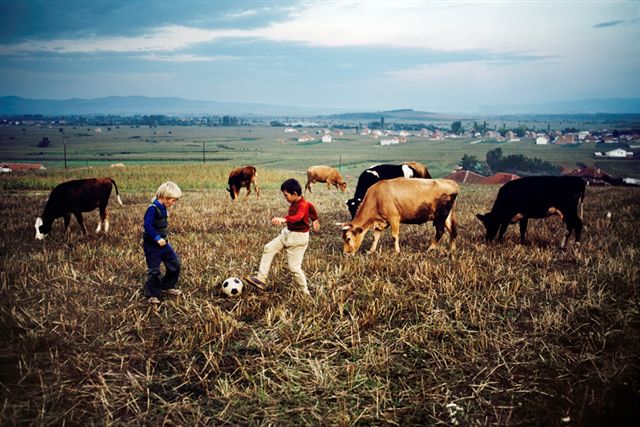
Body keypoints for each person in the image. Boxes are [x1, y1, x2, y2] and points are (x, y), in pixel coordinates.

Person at [244, 178, 319, 296]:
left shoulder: (302, 205)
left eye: (286, 195)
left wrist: (285, 219)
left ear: (294, 194)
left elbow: (299, 216)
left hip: (298, 239)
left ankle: (305, 292)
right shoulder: (301, 202)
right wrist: (314, 219)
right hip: (287, 234)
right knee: (269, 248)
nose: (285, 198)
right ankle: (261, 279)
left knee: (294, 268)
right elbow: (311, 208)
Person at [143, 181, 182, 304]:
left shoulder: (163, 208)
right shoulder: (153, 208)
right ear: (164, 196)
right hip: (152, 246)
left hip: (164, 244)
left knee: (175, 263)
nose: (173, 203)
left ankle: (167, 286)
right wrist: (156, 238)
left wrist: (162, 239)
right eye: (172, 200)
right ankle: (152, 295)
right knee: (154, 270)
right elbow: (147, 225)